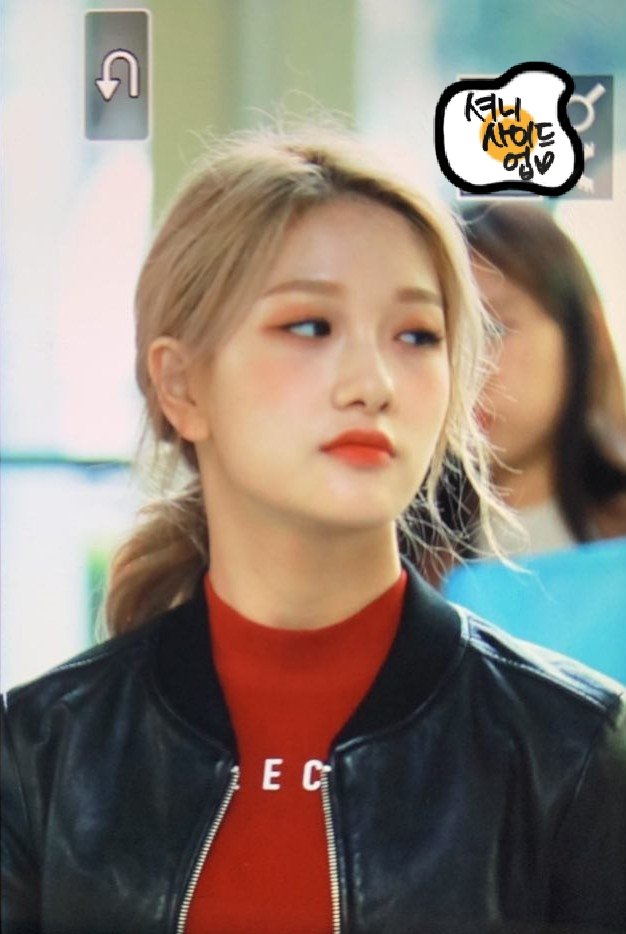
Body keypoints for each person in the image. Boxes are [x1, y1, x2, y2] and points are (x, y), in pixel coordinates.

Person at [2, 129, 625, 934]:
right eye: (309, 327)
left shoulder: (573, 750)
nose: (373, 383)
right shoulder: (42, 754)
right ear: (181, 385)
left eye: (416, 336)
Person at [462, 202, 626, 556]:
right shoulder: (396, 562)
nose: (465, 368)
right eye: (429, 336)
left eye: (493, 330)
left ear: (587, 333)